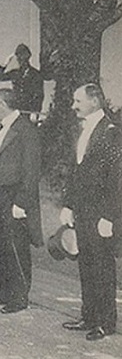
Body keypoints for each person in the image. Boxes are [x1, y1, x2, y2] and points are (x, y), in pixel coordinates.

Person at [59, 83, 122, 341]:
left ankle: (105, 322)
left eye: (78, 101)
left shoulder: (111, 133)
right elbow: (76, 171)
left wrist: (109, 215)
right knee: (85, 263)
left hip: (100, 214)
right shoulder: (83, 129)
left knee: (102, 267)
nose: (73, 106)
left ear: (95, 101)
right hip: (82, 210)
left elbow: (117, 178)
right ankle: (88, 316)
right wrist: (68, 204)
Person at [0, 88, 43, 313]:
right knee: (4, 245)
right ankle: (4, 293)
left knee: (17, 248)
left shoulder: (25, 131)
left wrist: (21, 202)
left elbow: (31, 171)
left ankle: (19, 298)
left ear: (4, 104)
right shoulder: (3, 127)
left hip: (16, 197)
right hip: (1, 194)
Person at [0, 43, 44, 114]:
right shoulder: (15, 73)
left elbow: (39, 96)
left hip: (28, 110)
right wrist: (5, 63)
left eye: (24, 59)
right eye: (19, 59)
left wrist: (36, 112)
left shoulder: (36, 74)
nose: (21, 62)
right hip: (15, 109)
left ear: (28, 58)